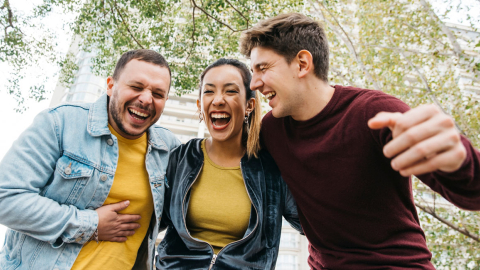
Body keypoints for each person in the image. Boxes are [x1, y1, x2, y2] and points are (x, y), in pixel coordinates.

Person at [239, 13, 480, 269]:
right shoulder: (272, 130)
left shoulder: (376, 113)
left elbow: (474, 194)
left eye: (263, 68)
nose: (255, 82)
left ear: (302, 64)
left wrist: (460, 159)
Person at [0, 49, 180, 270]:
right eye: (136, 87)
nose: (146, 99)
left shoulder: (169, 148)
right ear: (110, 85)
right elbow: (6, 198)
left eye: (158, 94)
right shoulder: (60, 123)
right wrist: (91, 224)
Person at [155, 58, 302, 270]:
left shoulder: (271, 171)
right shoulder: (181, 158)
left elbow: (317, 226)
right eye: (209, 91)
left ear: (249, 105)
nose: (218, 100)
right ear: (199, 106)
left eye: (230, 91)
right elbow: (147, 221)